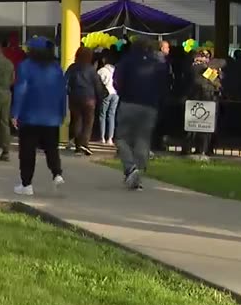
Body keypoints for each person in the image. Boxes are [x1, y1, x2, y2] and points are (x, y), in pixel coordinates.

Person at [10, 37, 67, 196]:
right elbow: (63, 93)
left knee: (27, 151)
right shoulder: (56, 68)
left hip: (30, 116)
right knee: (51, 147)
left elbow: (21, 90)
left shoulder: (25, 67)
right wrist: (62, 112)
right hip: (52, 116)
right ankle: (57, 173)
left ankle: (26, 184)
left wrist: (15, 113)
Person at [114, 37, 170, 190]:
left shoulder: (127, 61)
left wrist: (123, 92)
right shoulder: (159, 63)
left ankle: (130, 167)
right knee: (143, 139)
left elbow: (117, 81)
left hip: (129, 102)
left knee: (122, 138)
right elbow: (164, 85)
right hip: (150, 105)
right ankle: (138, 170)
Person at [185, 48, 222, 159]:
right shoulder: (198, 67)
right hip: (200, 97)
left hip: (205, 98)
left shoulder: (208, 68)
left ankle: (200, 149)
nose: (205, 58)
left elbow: (217, 82)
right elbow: (215, 82)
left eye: (206, 56)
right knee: (196, 126)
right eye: (203, 55)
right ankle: (197, 149)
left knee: (200, 127)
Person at [65, 47, 103, 156]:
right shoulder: (91, 69)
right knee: (88, 122)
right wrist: (99, 97)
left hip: (74, 98)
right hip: (89, 98)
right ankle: (84, 143)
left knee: (77, 120)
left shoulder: (72, 68)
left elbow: (65, 81)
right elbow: (97, 85)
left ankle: (78, 145)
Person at [97, 51, 119, 146]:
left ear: (104, 60)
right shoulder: (116, 69)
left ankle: (102, 137)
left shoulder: (101, 70)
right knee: (112, 115)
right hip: (115, 93)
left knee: (102, 115)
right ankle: (110, 138)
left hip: (106, 93)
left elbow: (98, 83)